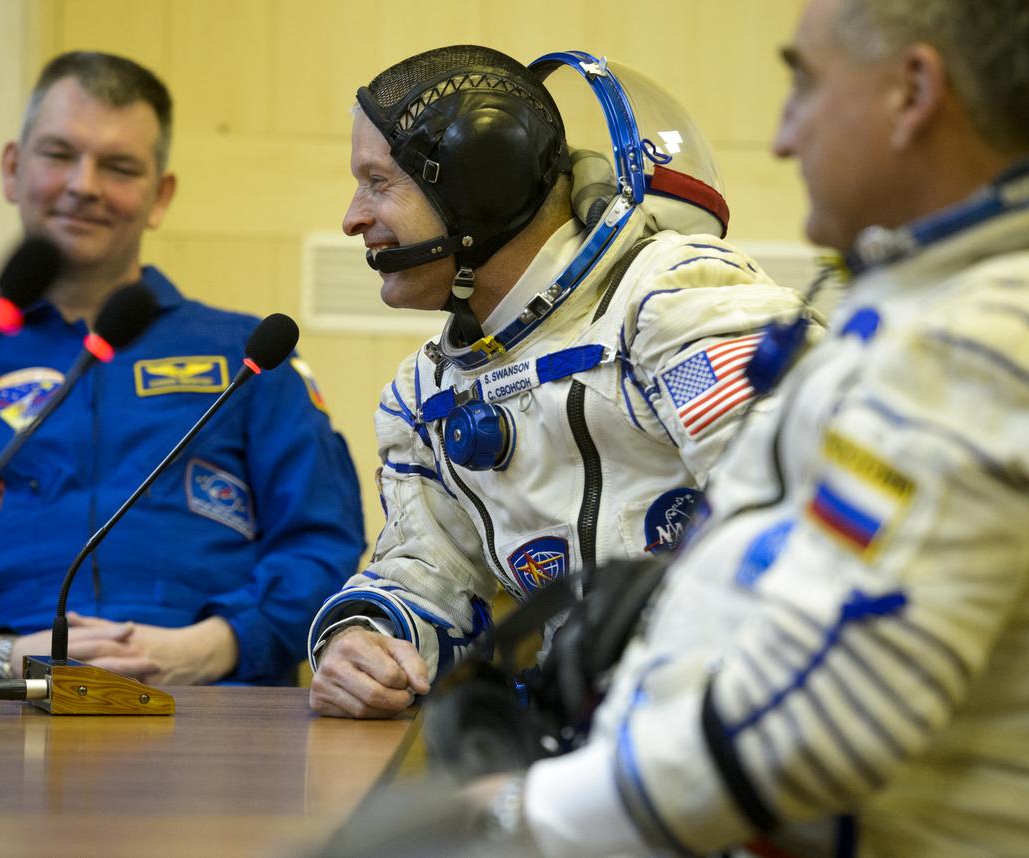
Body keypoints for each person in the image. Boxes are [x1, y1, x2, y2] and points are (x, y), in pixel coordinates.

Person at [460, 1, 1029, 856]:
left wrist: (518, 819)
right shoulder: (955, 300)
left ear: (912, 93)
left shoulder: (988, 336)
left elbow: (826, 714)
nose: (783, 138)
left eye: (803, 84)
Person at [307, 45, 812, 719]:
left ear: (474, 188)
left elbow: (813, 527)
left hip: (743, 728)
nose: (353, 218)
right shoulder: (427, 393)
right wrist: (362, 641)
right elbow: (426, 575)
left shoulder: (676, 305)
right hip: (583, 744)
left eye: (378, 182)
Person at [0, 51, 365, 685]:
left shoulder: (251, 358)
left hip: (209, 702)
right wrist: (1, 656)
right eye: (59, 155)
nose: (83, 185)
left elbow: (322, 542)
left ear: (159, 195)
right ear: (13, 169)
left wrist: (215, 646)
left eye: (118, 167)